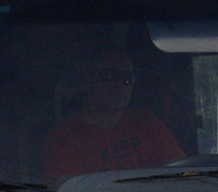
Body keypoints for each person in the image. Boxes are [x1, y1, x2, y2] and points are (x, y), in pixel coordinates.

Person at [41, 49, 182, 180]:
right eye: (109, 76)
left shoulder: (145, 121)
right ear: (88, 80)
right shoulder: (64, 138)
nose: (119, 86)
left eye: (127, 79)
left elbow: (180, 173)